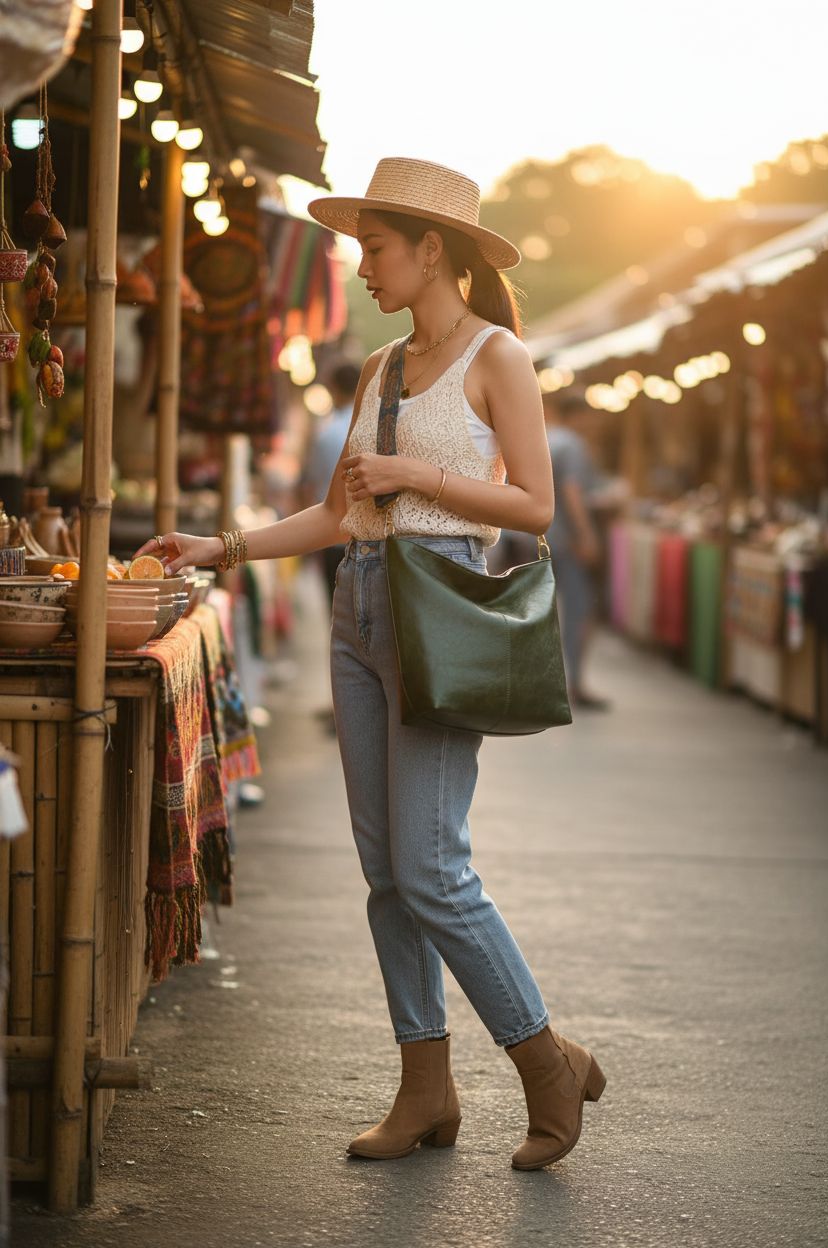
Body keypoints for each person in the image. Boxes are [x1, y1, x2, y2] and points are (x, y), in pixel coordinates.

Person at [135, 157, 606, 1171]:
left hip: (438, 607)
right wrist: (219, 548)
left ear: (432, 249)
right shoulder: (381, 369)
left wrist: (417, 476)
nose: (361, 271)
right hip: (359, 603)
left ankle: (542, 1061)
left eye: (375, 250)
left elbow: (532, 505)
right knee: (386, 873)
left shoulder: (497, 358)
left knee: (433, 870)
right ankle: (424, 1088)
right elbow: (340, 511)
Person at [544, 392, 610, 710]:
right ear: (579, 415)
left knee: (540, 609)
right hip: (566, 540)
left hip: (538, 536)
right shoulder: (572, 445)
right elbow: (572, 492)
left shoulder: (546, 437)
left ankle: (543, 681)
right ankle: (575, 683)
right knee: (579, 609)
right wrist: (587, 536)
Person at [301, 361, 362, 602]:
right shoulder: (368, 427)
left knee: (337, 606)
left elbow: (312, 485)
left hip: (332, 535)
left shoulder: (326, 432)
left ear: (334, 389)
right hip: (363, 537)